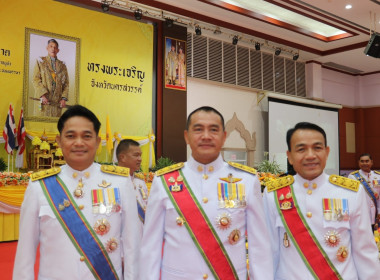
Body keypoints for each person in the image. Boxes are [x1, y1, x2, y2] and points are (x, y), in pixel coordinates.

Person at [139, 106, 273, 279]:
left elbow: (259, 246)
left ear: (224, 137)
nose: (206, 136)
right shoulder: (164, 181)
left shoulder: (247, 180)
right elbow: (150, 247)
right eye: (198, 129)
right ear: (187, 136)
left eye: (213, 130)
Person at [13, 105, 140, 280]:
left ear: (97, 141)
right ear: (58, 141)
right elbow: (25, 253)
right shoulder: (39, 186)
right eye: (71, 136)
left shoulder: (120, 182)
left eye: (86, 136)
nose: (78, 143)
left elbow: (133, 245)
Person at [263, 122, 380, 280]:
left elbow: (365, 252)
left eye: (317, 148)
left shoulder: (350, 192)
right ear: (289, 156)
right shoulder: (273, 194)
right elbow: (268, 253)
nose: (310, 155)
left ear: (327, 152)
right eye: (301, 149)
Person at [116, 139, 148, 230]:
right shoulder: (112, 180)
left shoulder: (140, 181)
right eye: (136, 155)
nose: (140, 159)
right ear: (122, 157)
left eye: (140, 155)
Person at [32, 38, 69, 117]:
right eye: (51, 46)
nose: (53, 49)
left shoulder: (63, 65)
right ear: (47, 48)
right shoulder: (40, 61)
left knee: (54, 127)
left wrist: (63, 99)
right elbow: (36, 79)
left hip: (56, 104)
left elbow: (66, 83)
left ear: (58, 50)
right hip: (44, 102)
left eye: (55, 47)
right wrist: (42, 95)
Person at [348, 153, 380, 228]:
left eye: (367, 161)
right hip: (361, 214)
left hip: (376, 213)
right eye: (362, 161)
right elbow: (351, 197)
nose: (364, 163)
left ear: (371, 162)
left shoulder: (378, 176)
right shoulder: (353, 177)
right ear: (359, 163)